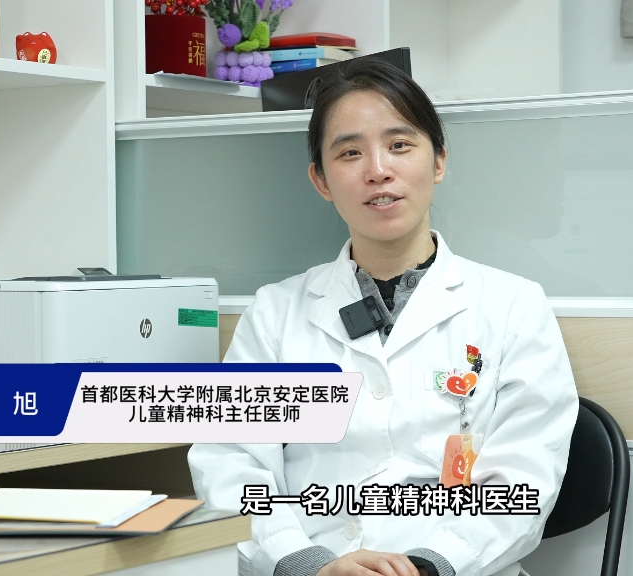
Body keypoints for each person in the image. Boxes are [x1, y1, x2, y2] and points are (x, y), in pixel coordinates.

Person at [188, 59, 579, 576]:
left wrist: (430, 566)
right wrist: (306, 563)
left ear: (438, 161)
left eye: (399, 144)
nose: (377, 169)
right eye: (350, 152)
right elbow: (229, 463)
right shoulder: (275, 313)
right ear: (321, 180)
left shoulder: (513, 306)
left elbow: (526, 478)